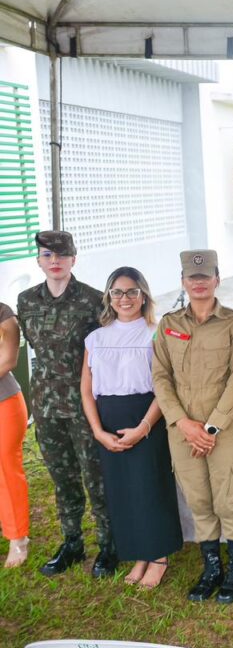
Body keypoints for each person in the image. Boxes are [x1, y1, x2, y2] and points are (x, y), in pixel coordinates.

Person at [152, 250, 233, 604]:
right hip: (182, 429)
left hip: (224, 430)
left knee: (228, 500)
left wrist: (209, 430)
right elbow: (161, 378)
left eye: (205, 276)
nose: (198, 282)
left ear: (217, 280)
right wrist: (183, 422)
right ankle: (212, 568)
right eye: (192, 277)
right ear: (183, 281)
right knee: (199, 500)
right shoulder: (168, 325)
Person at [17, 231, 114, 577]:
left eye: (61, 255)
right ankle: (72, 542)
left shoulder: (93, 300)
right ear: (39, 261)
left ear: (74, 258)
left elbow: (105, 350)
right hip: (45, 406)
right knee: (62, 478)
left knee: (96, 478)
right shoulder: (27, 300)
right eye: (47, 255)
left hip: (85, 406)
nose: (54, 261)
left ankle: (108, 545)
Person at [81, 267, 182, 589]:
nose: (124, 299)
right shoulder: (95, 338)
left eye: (131, 292)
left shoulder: (155, 332)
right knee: (123, 490)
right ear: (109, 297)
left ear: (144, 296)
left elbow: (164, 387)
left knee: (149, 487)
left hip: (146, 415)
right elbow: (86, 388)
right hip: (107, 418)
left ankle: (159, 557)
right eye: (117, 292)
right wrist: (97, 430)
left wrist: (143, 427)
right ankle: (140, 553)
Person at [0, 301, 29, 567]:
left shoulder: (3, 312)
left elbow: (8, 359)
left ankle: (17, 537)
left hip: (3, 402)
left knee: (6, 469)